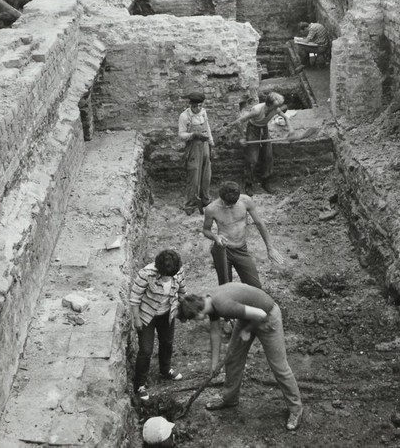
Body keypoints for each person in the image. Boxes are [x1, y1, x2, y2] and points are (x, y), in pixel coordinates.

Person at [178, 283, 303, 431]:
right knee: (233, 358)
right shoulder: (207, 302)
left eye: (193, 319)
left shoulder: (223, 305)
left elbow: (261, 315)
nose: (195, 321)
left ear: (198, 314)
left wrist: (247, 331)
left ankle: (296, 409)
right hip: (248, 315)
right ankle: (230, 399)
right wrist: (214, 363)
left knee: (279, 366)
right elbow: (215, 332)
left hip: (268, 316)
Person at [203, 181, 284, 290]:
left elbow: (260, 223)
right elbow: (206, 230)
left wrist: (270, 248)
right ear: (221, 197)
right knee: (226, 288)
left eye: (233, 204)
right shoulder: (211, 209)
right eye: (227, 204)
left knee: (255, 286)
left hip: (241, 249)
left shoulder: (246, 201)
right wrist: (215, 237)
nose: (230, 207)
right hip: (223, 250)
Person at [130, 249, 186, 402]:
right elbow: (135, 298)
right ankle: (140, 384)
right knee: (146, 350)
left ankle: (165, 369)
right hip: (147, 316)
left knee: (167, 342)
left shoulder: (178, 270)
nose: (168, 279)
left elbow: (182, 290)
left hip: (167, 314)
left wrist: (183, 305)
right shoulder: (145, 274)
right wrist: (136, 319)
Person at [227, 92, 289, 195]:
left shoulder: (275, 109)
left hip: (264, 129)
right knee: (252, 159)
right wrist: (242, 137)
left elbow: (286, 118)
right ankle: (248, 184)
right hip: (253, 130)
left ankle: (266, 181)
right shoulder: (257, 110)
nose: (278, 108)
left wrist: (291, 131)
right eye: (276, 106)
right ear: (269, 104)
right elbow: (238, 122)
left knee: (268, 156)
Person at [178, 91, 214, 215]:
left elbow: (207, 126)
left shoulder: (203, 112)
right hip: (193, 146)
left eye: (200, 105)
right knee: (193, 174)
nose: (198, 108)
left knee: (206, 174)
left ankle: (205, 199)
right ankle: (190, 203)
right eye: (195, 106)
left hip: (204, 145)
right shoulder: (184, 116)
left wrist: (210, 140)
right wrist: (193, 134)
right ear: (190, 105)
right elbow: (181, 134)